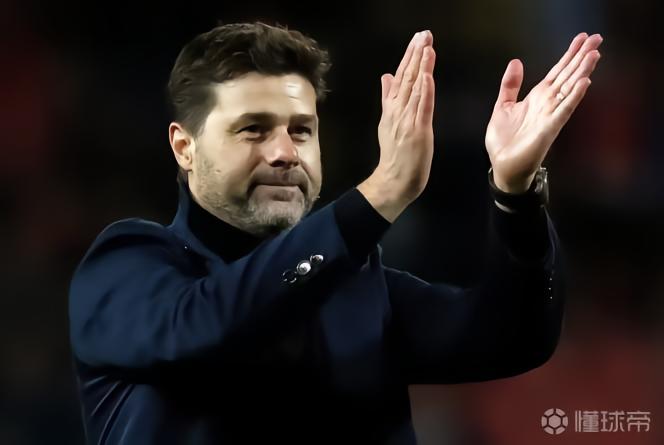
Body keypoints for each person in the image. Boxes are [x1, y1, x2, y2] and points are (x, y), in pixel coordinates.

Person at [68, 22, 602, 444]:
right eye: (253, 129)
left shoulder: (358, 285)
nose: (285, 152)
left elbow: (515, 338)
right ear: (184, 148)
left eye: (301, 130)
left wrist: (515, 194)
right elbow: (208, 326)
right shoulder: (126, 266)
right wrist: (382, 192)